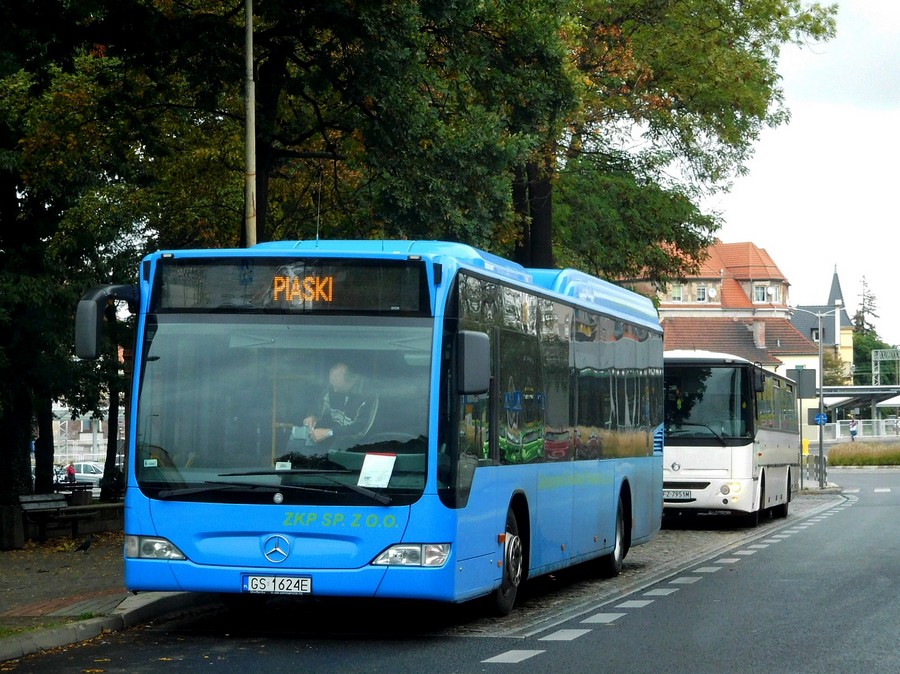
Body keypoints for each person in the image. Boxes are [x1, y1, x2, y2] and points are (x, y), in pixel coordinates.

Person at [302, 362, 378, 447]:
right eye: (332, 383)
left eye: (337, 386)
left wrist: (330, 432)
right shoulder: (332, 387)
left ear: (352, 380)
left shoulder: (368, 396)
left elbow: (360, 429)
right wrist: (313, 416)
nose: (334, 390)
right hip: (333, 446)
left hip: (360, 448)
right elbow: (319, 405)